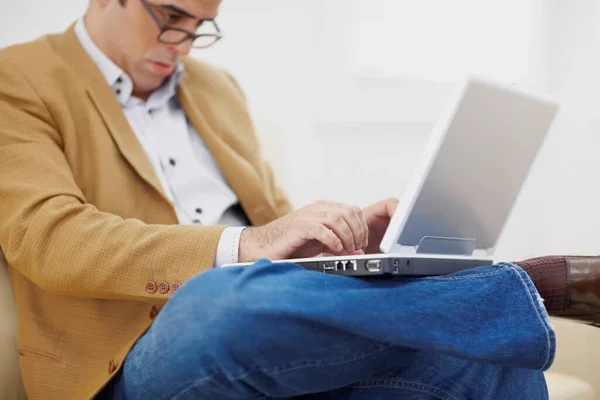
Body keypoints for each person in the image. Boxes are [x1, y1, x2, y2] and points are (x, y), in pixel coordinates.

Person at [0, 0, 598, 399]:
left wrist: (330, 239)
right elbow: (50, 238)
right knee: (216, 297)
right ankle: (521, 283)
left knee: (491, 363)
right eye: (171, 15)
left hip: (265, 313)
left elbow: (273, 226)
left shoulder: (218, 90)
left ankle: (469, 289)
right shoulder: (20, 79)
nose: (182, 41)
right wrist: (246, 246)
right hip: (139, 355)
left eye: (201, 25)